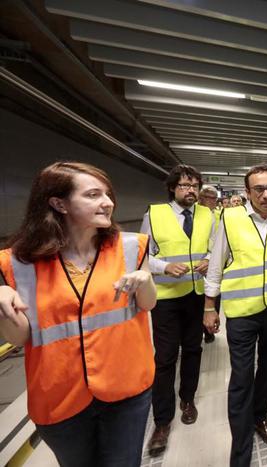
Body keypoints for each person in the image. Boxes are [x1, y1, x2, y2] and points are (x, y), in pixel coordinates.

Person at [0, 162, 156, 466]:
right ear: (59, 204)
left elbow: (148, 305)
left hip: (125, 388)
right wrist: (4, 306)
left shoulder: (131, 246)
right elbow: (21, 337)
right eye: (93, 195)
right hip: (60, 396)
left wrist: (146, 280)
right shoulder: (18, 262)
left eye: (107, 194)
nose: (107, 202)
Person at [203, 165, 267, 467]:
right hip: (242, 312)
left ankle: (260, 416)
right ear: (247, 192)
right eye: (258, 189)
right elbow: (216, 265)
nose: (266, 195)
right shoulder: (230, 218)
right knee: (242, 377)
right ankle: (240, 451)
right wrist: (209, 307)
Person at [141, 165, 215, 456]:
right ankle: (162, 421)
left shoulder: (207, 215)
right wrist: (164, 267)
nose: (191, 190)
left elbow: (214, 247)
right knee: (165, 357)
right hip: (166, 298)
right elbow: (143, 256)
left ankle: (187, 398)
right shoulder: (154, 214)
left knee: (193, 349)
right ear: (173, 188)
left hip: (195, 294)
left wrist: (209, 259)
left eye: (195, 186)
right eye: (185, 185)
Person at [199, 185, 220, 344]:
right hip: (199, 265)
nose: (214, 201)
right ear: (202, 198)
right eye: (211, 198)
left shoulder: (218, 215)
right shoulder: (196, 215)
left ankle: (209, 331)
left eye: (215, 198)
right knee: (200, 300)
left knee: (214, 296)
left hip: (214, 262)